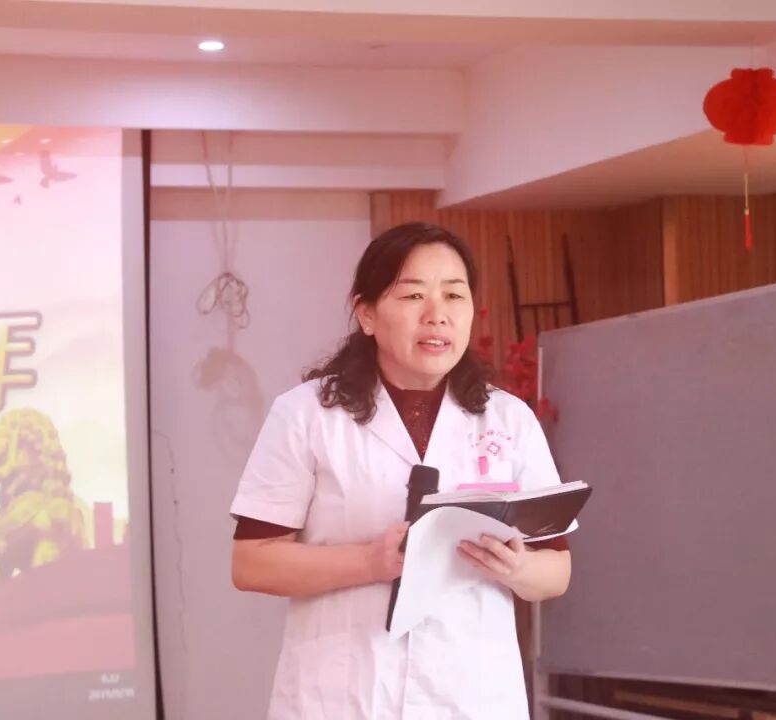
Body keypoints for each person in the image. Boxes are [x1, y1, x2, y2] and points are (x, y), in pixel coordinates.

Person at [230, 222, 572, 719]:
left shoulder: (508, 418)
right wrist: (370, 561)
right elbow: (251, 563)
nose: (437, 315)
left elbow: (557, 570)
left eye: (454, 295)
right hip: (343, 696)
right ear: (366, 313)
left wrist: (518, 569)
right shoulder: (305, 415)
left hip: (471, 696)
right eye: (413, 295)